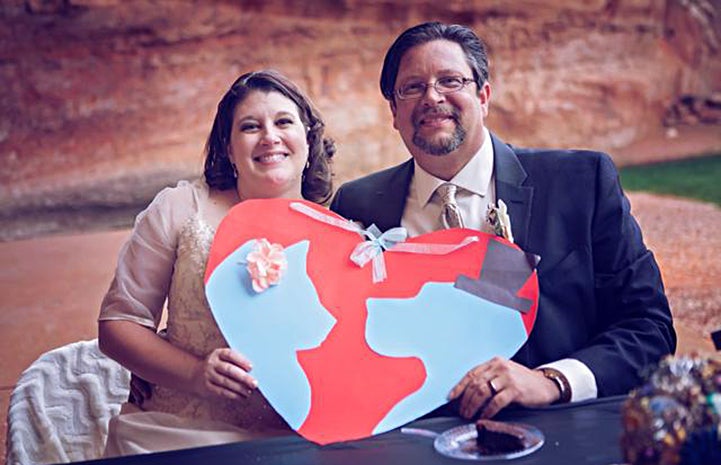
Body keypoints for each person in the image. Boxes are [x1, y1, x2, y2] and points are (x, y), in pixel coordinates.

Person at [330, 21, 676, 421]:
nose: (432, 97)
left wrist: (551, 381)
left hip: (566, 438)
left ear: (484, 96)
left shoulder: (581, 182)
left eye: (450, 80)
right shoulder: (357, 205)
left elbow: (649, 328)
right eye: (412, 87)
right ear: (394, 111)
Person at [98, 69, 335, 455]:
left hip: (294, 441)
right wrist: (193, 373)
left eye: (283, 122)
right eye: (250, 127)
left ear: (308, 138)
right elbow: (118, 326)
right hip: (182, 432)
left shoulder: (342, 234)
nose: (270, 137)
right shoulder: (181, 209)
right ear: (228, 147)